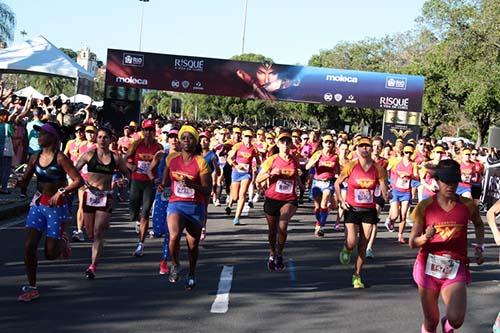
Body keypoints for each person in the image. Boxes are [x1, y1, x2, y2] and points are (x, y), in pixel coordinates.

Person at [409, 159, 484, 333]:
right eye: (446, 181)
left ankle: (447, 325)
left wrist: (480, 247)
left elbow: (479, 225)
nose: (450, 185)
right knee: (431, 320)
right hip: (427, 268)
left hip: (455, 268)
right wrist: (425, 237)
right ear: (437, 181)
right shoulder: (425, 206)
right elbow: (412, 242)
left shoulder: (467, 205)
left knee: (456, 319)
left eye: (454, 181)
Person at [16, 122, 83, 302]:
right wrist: (20, 184)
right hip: (38, 205)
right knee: (29, 246)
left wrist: (61, 192)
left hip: (56, 208)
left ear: (53, 138)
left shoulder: (60, 158)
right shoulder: (34, 157)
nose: (39, 136)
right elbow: (25, 180)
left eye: (43, 133)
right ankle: (32, 286)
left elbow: (78, 181)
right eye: (38, 134)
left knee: (50, 254)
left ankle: (63, 241)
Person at [158, 125, 211, 290]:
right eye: (184, 138)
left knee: (193, 245)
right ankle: (175, 264)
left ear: (195, 142)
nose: (186, 141)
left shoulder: (201, 162)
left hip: (195, 207)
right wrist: (161, 186)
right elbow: (166, 182)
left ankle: (192, 273)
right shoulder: (171, 159)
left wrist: (192, 185)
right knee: (174, 236)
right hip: (176, 204)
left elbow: (207, 190)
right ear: (180, 141)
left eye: (190, 138)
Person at [75, 127, 129, 279]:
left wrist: (122, 181)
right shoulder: (89, 155)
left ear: (111, 140)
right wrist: (81, 183)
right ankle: (97, 230)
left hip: (106, 196)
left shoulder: (116, 158)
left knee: (98, 232)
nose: (102, 140)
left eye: (105, 137)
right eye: (99, 137)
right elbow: (73, 170)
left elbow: (127, 174)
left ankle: (92, 266)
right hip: (89, 195)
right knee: (90, 232)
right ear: (96, 139)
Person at [334, 137, 388, 288]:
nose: (365, 148)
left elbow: (383, 185)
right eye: (361, 146)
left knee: (363, 246)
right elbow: (337, 184)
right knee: (351, 242)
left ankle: (356, 275)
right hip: (352, 208)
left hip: (368, 211)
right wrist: (340, 200)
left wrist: (385, 194)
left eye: (367, 146)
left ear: (371, 149)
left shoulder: (378, 168)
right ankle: (346, 248)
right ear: (357, 149)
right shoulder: (351, 166)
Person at [256, 132, 302, 271]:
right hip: (272, 198)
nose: (285, 145)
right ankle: (272, 253)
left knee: (282, 225)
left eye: (288, 142)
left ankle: (280, 254)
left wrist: (300, 184)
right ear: (278, 144)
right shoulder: (271, 159)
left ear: (291, 145)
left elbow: (297, 175)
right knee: (272, 230)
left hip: (289, 199)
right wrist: (270, 174)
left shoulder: (295, 160)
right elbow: (258, 179)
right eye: (282, 142)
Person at [127, 119, 163, 256]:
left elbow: (162, 163)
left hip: (150, 182)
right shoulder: (136, 144)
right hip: (136, 181)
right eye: (146, 130)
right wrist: (131, 166)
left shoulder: (158, 147)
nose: (148, 133)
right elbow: (126, 159)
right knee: (133, 213)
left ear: (154, 132)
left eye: (151, 130)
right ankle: (137, 221)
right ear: (142, 131)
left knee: (146, 211)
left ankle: (140, 244)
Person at [147, 128, 179, 275]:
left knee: (170, 232)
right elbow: (150, 170)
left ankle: (165, 260)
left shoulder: (183, 157)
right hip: (161, 195)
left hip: (176, 198)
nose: (174, 139)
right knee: (158, 230)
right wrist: (155, 180)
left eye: (176, 137)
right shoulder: (160, 155)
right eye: (171, 137)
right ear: (168, 139)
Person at [305, 134, 339, 237]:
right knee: (317, 207)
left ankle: (321, 227)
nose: (328, 144)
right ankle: (319, 223)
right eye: (326, 142)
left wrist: (338, 178)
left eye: (330, 142)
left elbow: (338, 170)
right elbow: (307, 167)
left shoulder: (335, 156)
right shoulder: (318, 154)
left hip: (328, 183)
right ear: (322, 144)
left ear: (333, 144)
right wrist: (314, 161)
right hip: (317, 182)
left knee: (324, 204)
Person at [226, 129, 260, 225]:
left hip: (246, 173)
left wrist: (255, 166)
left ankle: (237, 217)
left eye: (250, 137)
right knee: (235, 196)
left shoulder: (254, 149)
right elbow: (229, 158)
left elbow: (258, 162)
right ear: (243, 137)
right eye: (246, 137)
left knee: (242, 195)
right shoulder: (238, 146)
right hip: (236, 172)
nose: (248, 139)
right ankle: (231, 200)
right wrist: (236, 165)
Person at [386, 144, 418, 244]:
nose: (408, 154)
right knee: (395, 214)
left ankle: (400, 235)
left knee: (403, 215)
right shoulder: (396, 161)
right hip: (396, 190)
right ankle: (390, 220)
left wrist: (409, 175)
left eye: (410, 153)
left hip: (406, 192)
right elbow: (388, 170)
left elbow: (417, 177)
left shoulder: (413, 164)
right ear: (403, 152)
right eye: (406, 152)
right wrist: (392, 181)